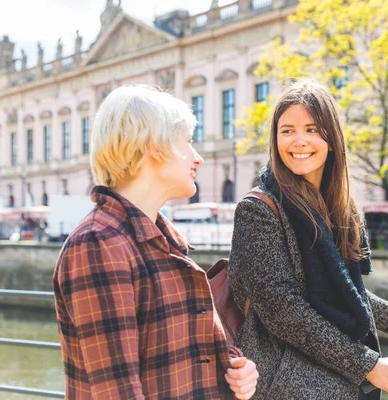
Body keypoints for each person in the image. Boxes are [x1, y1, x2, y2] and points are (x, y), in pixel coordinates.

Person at [228, 80, 388, 400]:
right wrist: (369, 365)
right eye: (287, 130)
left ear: (331, 139)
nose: (298, 141)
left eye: (311, 129)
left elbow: (348, 291)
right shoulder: (258, 210)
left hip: (335, 376)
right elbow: (283, 311)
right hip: (283, 383)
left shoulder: (340, 209)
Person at [53, 85, 258, 399]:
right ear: (153, 146)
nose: (198, 158)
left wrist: (232, 366)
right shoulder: (99, 245)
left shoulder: (161, 240)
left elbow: (171, 349)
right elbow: (117, 391)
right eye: (187, 143)